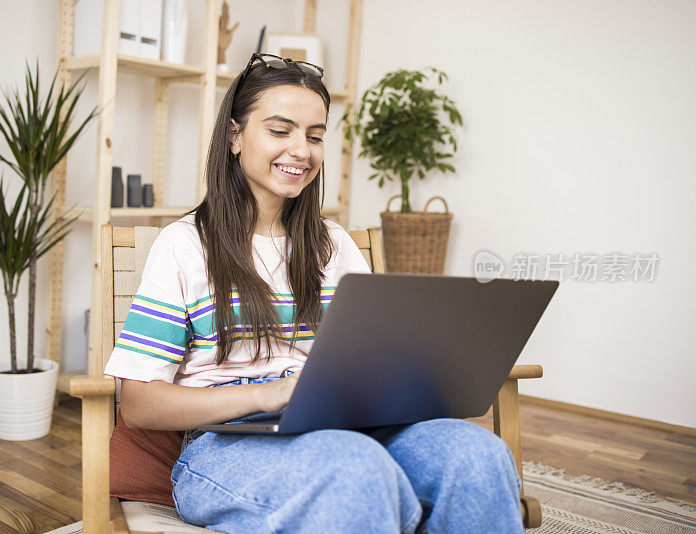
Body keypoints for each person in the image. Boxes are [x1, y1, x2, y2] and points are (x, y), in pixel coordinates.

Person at [103, 53, 524, 534]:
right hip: (227, 445)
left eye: (315, 135)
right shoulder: (184, 245)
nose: (301, 150)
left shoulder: (334, 245)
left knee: (477, 455)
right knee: (354, 468)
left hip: (345, 427)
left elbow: (371, 361)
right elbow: (139, 404)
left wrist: (423, 371)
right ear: (236, 136)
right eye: (280, 131)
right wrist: (275, 393)